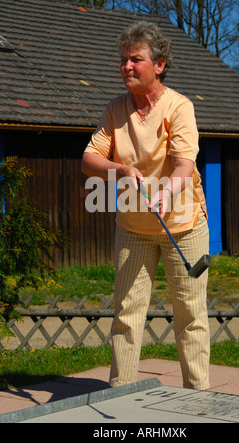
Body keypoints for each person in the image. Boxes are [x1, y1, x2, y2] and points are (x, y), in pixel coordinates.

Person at [81, 21, 210, 390]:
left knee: (191, 317)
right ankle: (120, 395)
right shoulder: (115, 110)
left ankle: (197, 398)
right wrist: (120, 167)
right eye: (123, 60)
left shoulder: (178, 107)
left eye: (135, 60)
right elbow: (89, 158)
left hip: (183, 226)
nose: (126, 67)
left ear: (160, 64)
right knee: (126, 314)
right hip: (133, 227)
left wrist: (166, 192)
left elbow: (184, 164)